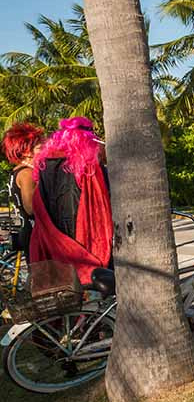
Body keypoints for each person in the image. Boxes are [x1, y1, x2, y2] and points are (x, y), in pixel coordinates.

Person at [29, 117, 112, 284]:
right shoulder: (89, 166)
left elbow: (39, 202)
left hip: (55, 236)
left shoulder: (45, 164)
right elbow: (103, 203)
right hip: (84, 234)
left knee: (66, 285)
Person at [2, 123, 45, 261]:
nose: (44, 149)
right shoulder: (27, 173)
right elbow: (31, 208)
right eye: (39, 146)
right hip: (34, 233)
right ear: (26, 151)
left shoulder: (18, 171)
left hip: (28, 230)